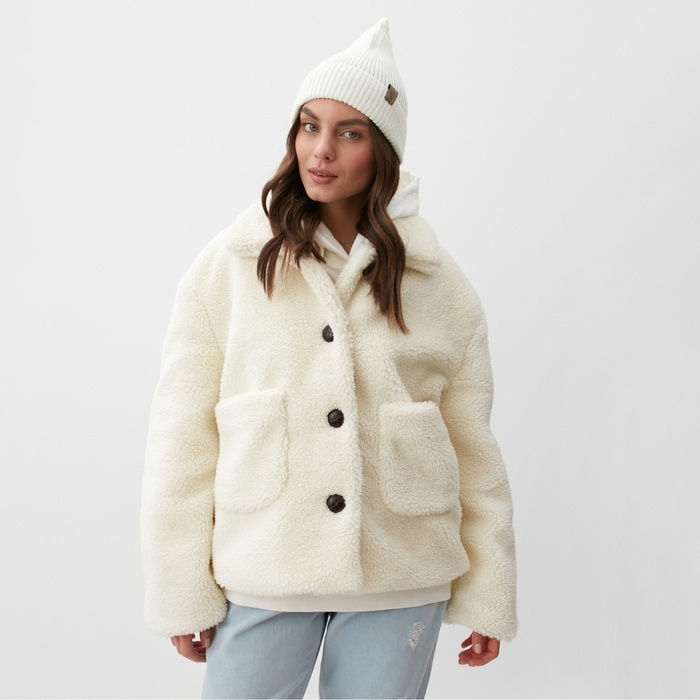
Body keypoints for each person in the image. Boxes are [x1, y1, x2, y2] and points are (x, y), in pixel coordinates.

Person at [141, 18, 517, 699]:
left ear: (384, 152)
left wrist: (487, 588)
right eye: (309, 126)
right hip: (264, 569)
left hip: (401, 575)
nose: (321, 150)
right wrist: (181, 587)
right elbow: (181, 439)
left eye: (350, 133)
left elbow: (473, 448)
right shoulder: (229, 269)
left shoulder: (438, 284)